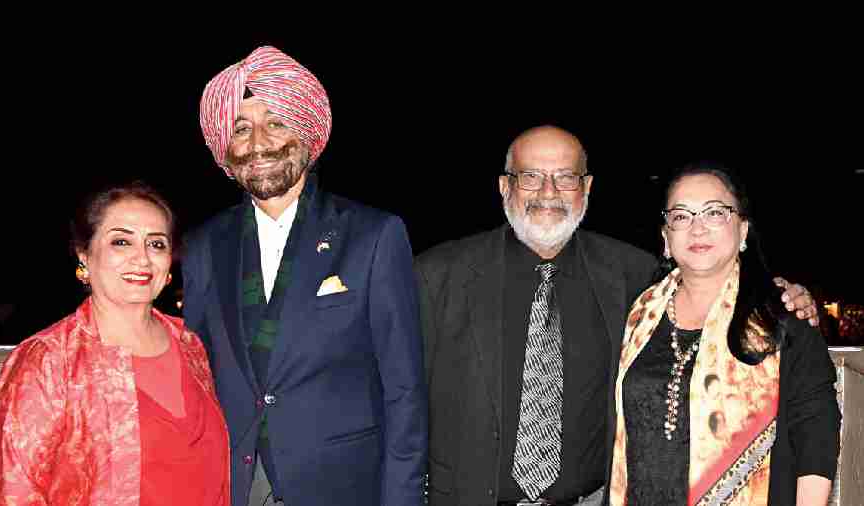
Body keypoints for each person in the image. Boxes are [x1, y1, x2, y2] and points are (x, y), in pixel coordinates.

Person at [415, 126, 818, 506]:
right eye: (531, 177)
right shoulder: (436, 276)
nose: (549, 192)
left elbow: (708, 282)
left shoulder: (631, 276)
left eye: (566, 177)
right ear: (505, 186)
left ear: (586, 187)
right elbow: (399, 398)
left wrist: (779, 295)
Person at [182, 45, 426, 506]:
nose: (259, 142)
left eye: (276, 122)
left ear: (307, 131)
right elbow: (196, 378)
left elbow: (405, 390)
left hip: (343, 485)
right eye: (241, 128)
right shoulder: (202, 245)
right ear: (224, 148)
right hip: (234, 485)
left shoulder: (374, 235)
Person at [609, 163, 840, 505]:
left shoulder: (781, 318)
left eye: (714, 213)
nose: (698, 228)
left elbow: (816, 436)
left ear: (743, 230)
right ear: (666, 238)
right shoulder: (637, 315)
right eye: (682, 216)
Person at [0, 181, 229, 505]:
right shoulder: (49, 359)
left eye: (156, 244)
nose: (142, 259)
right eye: (121, 242)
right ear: (84, 256)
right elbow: (16, 493)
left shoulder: (191, 344)